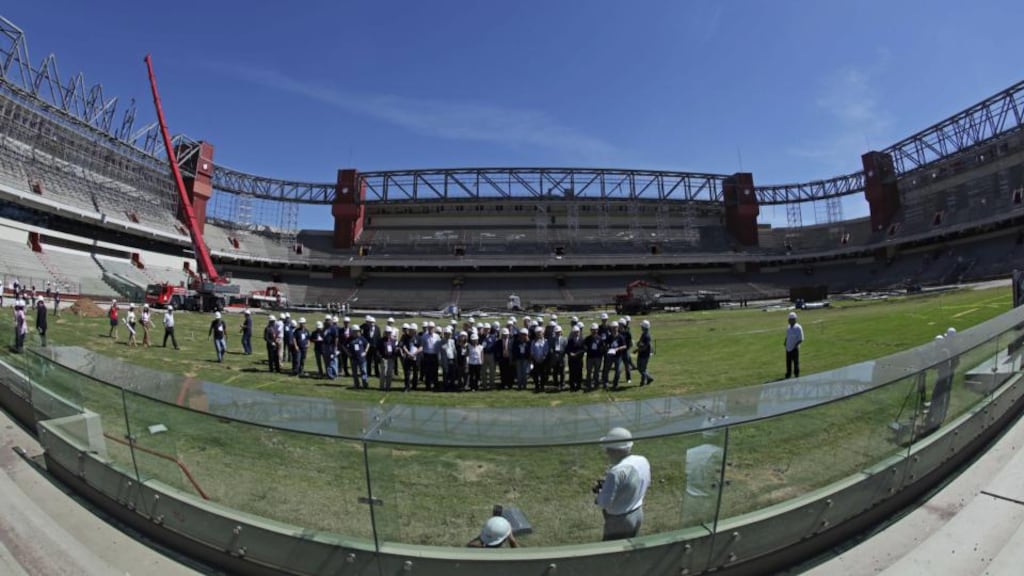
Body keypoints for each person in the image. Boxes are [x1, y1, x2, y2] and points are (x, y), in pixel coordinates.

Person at [593, 427, 651, 541]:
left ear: (614, 450)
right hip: (638, 512)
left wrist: (599, 496)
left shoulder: (616, 472)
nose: (606, 452)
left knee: (611, 553)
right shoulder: (642, 460)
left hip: (619, 520)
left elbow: (604, 503)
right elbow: (646, 482)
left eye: (607, 449)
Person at [784, 312, 804, 379]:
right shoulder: (788, 327)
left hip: (795, 349)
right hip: (788, 348)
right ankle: (788, 374)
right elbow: (787, 336)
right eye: (788, 319)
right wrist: (785, 342)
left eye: (790, 319)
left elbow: (801, 339)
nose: (788, 320)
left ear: (794, 319)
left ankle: (796, 375)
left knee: (796, 363)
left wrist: (795, 346)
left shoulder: (798, 328)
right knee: (788, 362)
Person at [636, 320, 654, 386]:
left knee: (641, 369)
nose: (641, 327)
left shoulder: (646, 336)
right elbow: (641, 343)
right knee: (642, 368)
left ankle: (649, 378)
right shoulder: (643, 334)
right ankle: (644, 381)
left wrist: (638, 350)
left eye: (642, 326)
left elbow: (645, 347)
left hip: (644, 354)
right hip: (642, 353)